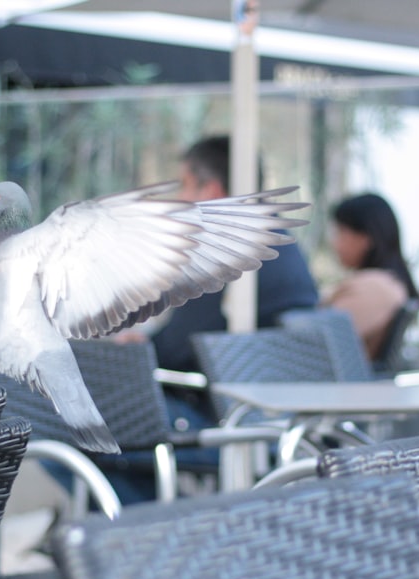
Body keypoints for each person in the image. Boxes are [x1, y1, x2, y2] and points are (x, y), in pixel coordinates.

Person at [54, 135, 319, 507]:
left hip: (227, 425)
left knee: (58, 426)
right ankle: (170, 523)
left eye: (183, 186)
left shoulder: (230, 250)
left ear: (209, 190)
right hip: (279, 422)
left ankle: (158, 529)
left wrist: (143, 349)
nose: (178, 200)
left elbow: (177, 350)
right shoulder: (279, 243)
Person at [325, 193, 419, 363]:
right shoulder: (389, 283)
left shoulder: (374, 288)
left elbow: (316, 338)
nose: (334, 242)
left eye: (341, 232)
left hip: (342, 386)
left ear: (365, 238)